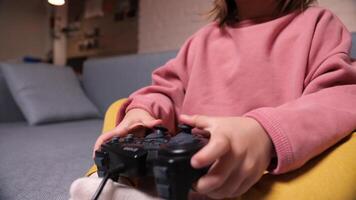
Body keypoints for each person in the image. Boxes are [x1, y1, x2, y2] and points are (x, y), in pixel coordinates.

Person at [70, 0, 356, 199]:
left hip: (272, 173)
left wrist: (264, 133)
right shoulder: (202, 40)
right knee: (122, 109)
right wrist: (140, 115)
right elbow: (165, 90)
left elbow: (340, 96)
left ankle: (122, 188)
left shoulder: (318, 24)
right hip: (188, 166)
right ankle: (109, 176)